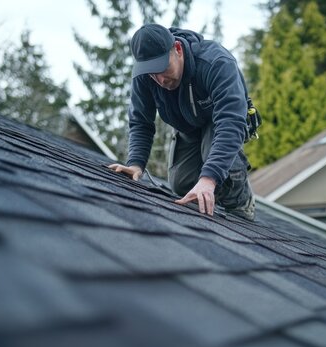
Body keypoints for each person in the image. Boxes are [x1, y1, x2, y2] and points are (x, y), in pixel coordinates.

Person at [108, 23, 255, 221]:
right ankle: (209, 190)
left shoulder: (216, 63)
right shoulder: (144, 77)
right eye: (152, 73)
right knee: (180, 184)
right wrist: (135, 164)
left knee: (212, 160)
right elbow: (141, 122)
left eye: (162, 68)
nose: (160, 79)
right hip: (188, 127)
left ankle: (239, 200)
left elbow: (231, 122)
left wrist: (209, 179)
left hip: (221, 123)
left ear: (177, 49)